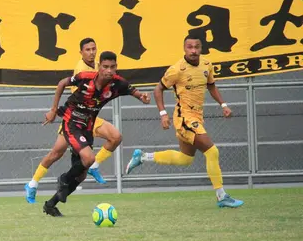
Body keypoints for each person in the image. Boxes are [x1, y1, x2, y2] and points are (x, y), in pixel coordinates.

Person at [125, 34, 244, 208]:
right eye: (190, 47)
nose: (194, 50)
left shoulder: (207, 65)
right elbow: (158, 89)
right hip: (184, 119)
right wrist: (163, 114)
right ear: (184, 48)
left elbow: (211, 85)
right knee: (212, 152)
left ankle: (143, 157)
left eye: (197, 47)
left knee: (185, 159)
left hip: (197, 117)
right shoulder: (176, 70)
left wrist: (223, 104)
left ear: (201, 48)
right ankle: (221, 196)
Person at [42, 51, 150, 217]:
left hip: (87, 127)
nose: (109, 70)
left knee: (81, 175)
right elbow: (62, 83)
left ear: (116, 67)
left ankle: (51, 204)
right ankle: (63, 179)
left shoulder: (118, 84)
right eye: (105, 67)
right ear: (99, 67)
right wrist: (53, 109)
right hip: (71, 122)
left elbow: (134, 92)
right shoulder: (85, 77)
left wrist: (142, 97)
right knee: (89, 159)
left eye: (112, 67)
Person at [24, 37, 115, 204]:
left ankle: (93, 166)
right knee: (55, 154)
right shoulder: (81, 70)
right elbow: (78, 95)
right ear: (81, 52)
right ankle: (32, 184)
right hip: (76, 120)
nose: (92, 52)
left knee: (115, 137)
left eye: (94, 49)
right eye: (87, 49)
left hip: (88, 119)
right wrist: (54, 110)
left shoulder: (97, 66)